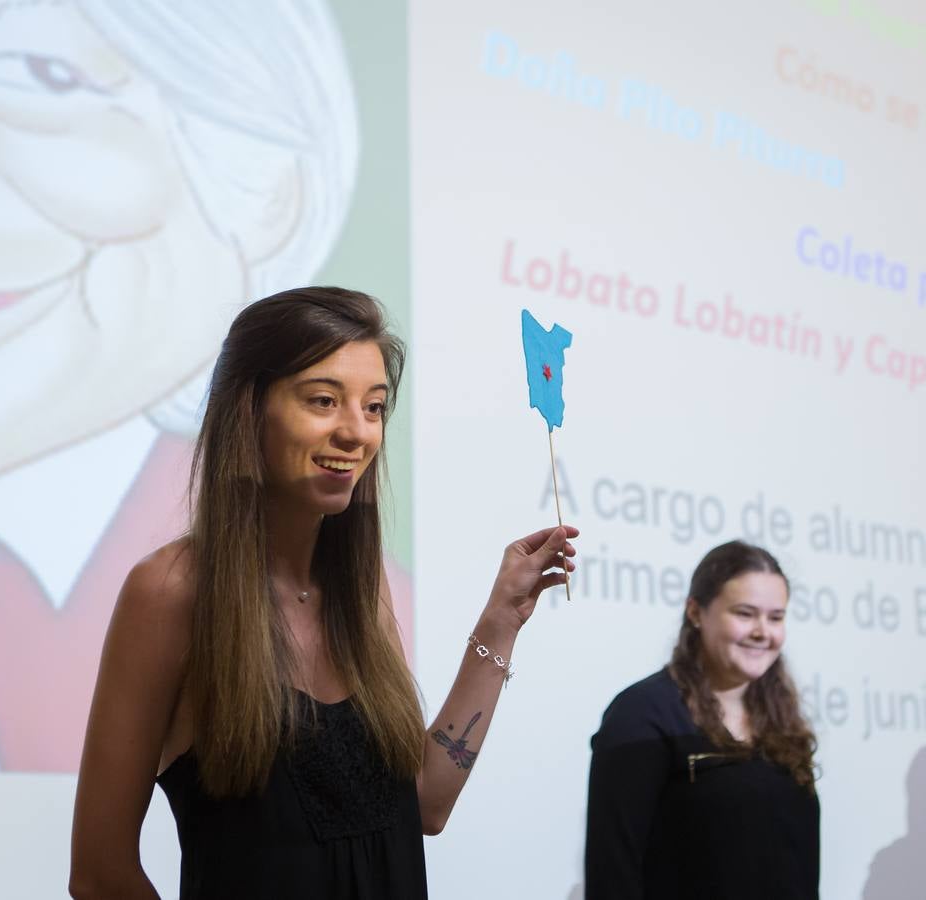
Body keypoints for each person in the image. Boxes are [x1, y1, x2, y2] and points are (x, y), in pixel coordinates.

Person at [0, 0, 365, 773]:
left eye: (36, 72)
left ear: (268, 189)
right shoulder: (172, 588)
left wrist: (496, 631)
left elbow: (421, 810)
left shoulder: (359, 605)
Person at [69, 287, 578, 899]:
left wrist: (502, 620)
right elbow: (100, 874)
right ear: (248, 410)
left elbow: (423, 807)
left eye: (373, 407)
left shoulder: (362, 591)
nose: (355, 432)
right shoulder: (170, 593)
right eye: (322, 401)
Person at [584, 540, 819, 899]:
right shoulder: (642, 715)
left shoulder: (782, 721)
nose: (763, 631)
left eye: (776, 617)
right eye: (744, 613)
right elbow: (612, 875)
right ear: (696, 612)